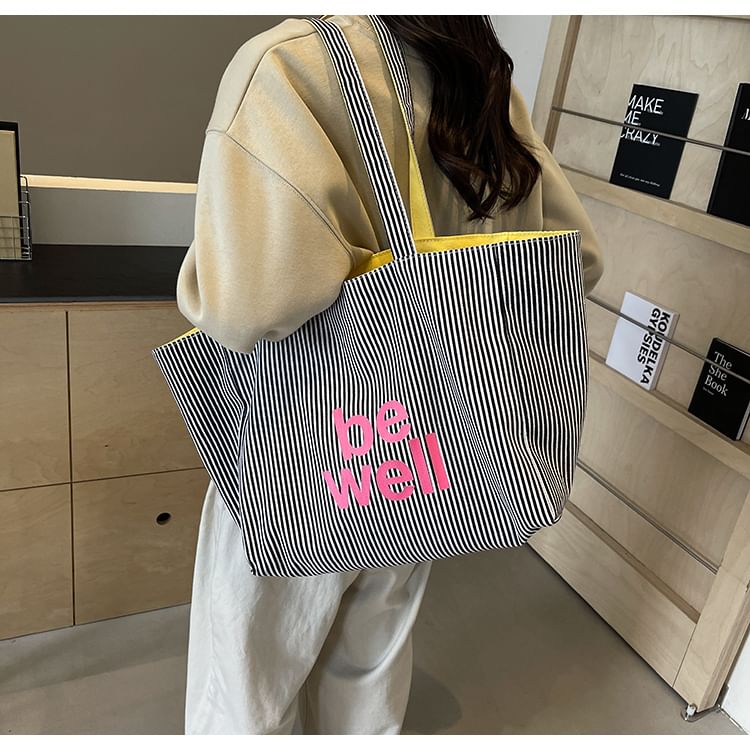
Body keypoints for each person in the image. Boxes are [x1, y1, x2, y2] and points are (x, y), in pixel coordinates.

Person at [174, 14, 604, 735]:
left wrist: (201, 277)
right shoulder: (480, 72)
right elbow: (580, 259)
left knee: (249, 688)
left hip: (303, 448)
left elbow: (247, 307)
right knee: (369, 672)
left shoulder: (284, 66)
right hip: (439, 453)